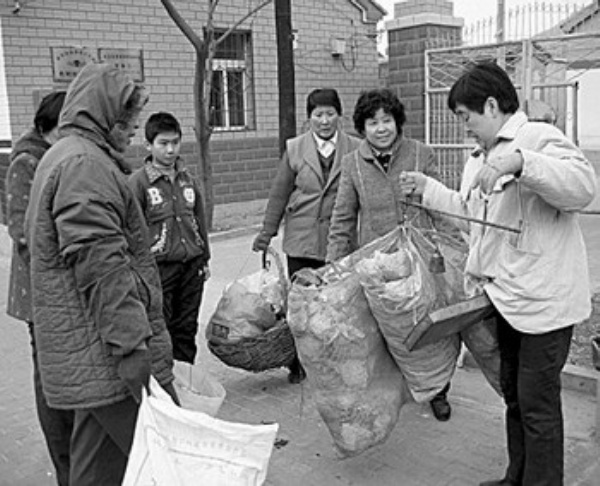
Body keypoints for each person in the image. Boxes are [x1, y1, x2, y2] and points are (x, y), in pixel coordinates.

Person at [399, 62, 597, 486]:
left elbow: (582, 187)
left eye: (465, 116)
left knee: (538, 405)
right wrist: (428, 190)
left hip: (545, 305)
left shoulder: (538, 138)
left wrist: (520, 163)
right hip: (505, 300)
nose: (464, 127)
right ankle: (516, 477)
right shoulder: (478, 159)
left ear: (491, 105)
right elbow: (471, 217)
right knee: (515, 398)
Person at [25, 63, 177, 486]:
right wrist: (132, 347)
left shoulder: (69, 153)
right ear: (102, 114)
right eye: (126, 119)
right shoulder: (85, 165)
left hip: (93, 356)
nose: (133, 128)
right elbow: (102, 267)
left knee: (97, 469)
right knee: (172, 459)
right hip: (108, 353)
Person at [326, 87, 454, 422]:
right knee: (388, 332)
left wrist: (454, 246)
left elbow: (439, 205)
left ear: (397, 122)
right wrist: (333, 266)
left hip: (420, 261)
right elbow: (342, 218)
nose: (381, 128)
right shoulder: (352, 164)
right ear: (362, 127)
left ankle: (438, 389)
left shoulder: (420, 154)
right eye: (373, 122)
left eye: (387, 120)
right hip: (376, 268)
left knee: (428, 328)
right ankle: (401, 390)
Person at [252, 88, 361, 383]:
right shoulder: (295, 148)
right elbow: (279, 193)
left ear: (339, 115)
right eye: (318, 114)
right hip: (301, 238)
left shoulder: (355, 148)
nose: (324, 121)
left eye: (330, 114)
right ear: (309, 117)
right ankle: (299, 363)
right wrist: (267, 232)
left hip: (339, 240)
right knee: (301, 304)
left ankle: (334, 361)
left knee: (336, 304)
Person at [5, 91, 74, 486]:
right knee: (50, 378)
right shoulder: (27, 162)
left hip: (64, 288)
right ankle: (64, 466)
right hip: (40, 292)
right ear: (49, 126)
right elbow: (22, 231)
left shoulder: (61, 156)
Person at [129, 111, 210, 364]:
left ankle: (186, 378)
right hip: (159, 269)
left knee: (186, 328)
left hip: (191, 266)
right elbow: (132, 230)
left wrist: (205, 259)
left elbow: (199, 220)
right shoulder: (139, 183)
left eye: (175, 142)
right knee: (161, 328)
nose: (170, 150)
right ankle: (166, 381)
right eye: (163, 143)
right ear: (148, 145)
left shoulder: (188, 180)